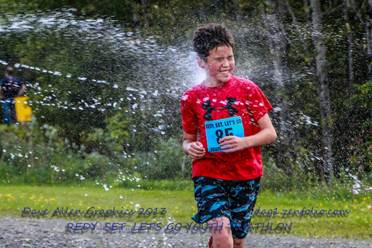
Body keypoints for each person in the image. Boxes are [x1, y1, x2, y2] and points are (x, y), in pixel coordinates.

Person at [180, 23, 277, 248]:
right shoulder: (190, 98)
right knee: (222, 233)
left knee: (236, 240)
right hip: (208, 173)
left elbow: (270, 133)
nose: (226, 64)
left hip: (246, 174)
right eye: (219, 60)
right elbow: (187, 139)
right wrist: (190, 148)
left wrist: (244, 142)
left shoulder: (247, 89)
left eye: (230, 58)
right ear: (201, 62)